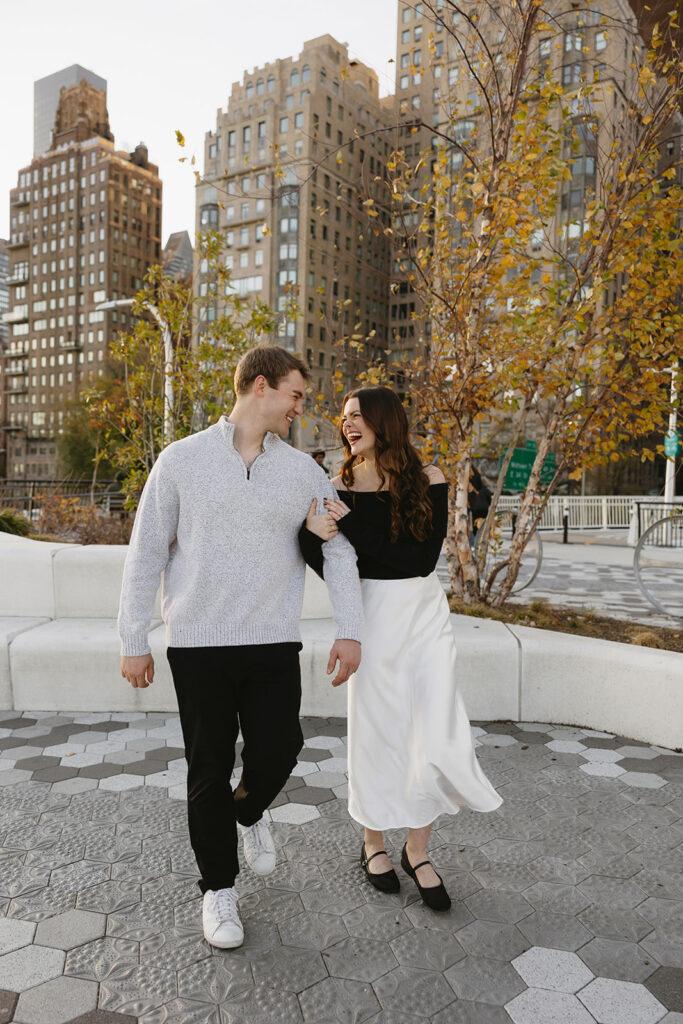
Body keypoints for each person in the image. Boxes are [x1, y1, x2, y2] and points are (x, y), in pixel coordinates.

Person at [118, 345, 362, 949]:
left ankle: (248, 813)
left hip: (272, 640)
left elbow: (337, 549)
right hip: (197, 643)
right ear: (260, 386)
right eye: (295, 395)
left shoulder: (303, 471)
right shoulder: (181, 460)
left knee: (282, 747)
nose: (300, 407)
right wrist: (133, 639)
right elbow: (146, 552)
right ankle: (218, 890)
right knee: (206, 768)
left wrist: (349, 628)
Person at [300, 386, 501, 911]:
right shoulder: (337, 482)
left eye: (358, 416)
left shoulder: (428, 478)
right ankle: (373, 844)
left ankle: (418, 849)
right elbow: (324, 558)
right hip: (372, 617)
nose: (348, 424)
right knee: (377, 729)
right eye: (344, 417)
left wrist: (348, 527)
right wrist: (312, 530)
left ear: (386, 420)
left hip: (423, 615)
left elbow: (417, 560)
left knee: (431, 728)